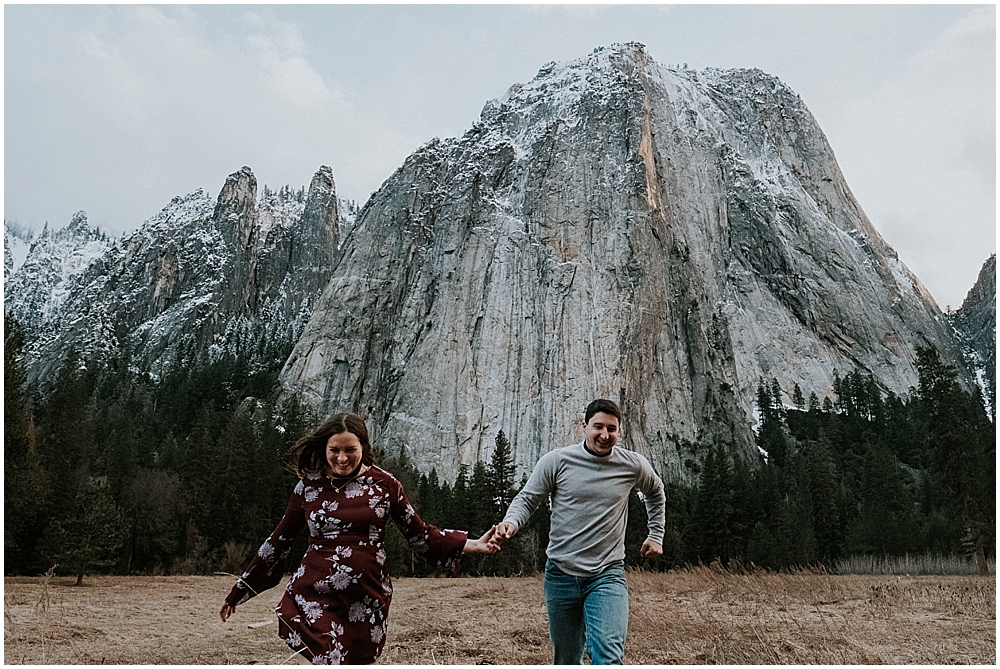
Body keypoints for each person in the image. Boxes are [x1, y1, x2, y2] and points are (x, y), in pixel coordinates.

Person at [219, 412, 499, 664]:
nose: (342, 458)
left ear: (363, 447)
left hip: (367, 597)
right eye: (334, 450)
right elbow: (279, 540)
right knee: (327, 657)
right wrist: (239, 591)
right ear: (324, 449)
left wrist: (474, 544)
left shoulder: (386, 485)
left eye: (350, 450)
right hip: (315, 594)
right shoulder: (308, 487)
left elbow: (419, 535)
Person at [491, 398, 666, 665]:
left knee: (608, 654)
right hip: (561, 575)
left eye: (612, 429)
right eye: (598, 427)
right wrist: (511, 523)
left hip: (607, 574)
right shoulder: (557, 461)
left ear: (620, 431)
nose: (604, 435)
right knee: (568, 659)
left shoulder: (632, 465)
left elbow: (655, 492)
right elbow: (527, 499)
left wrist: (655, 534)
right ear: (584, 426)